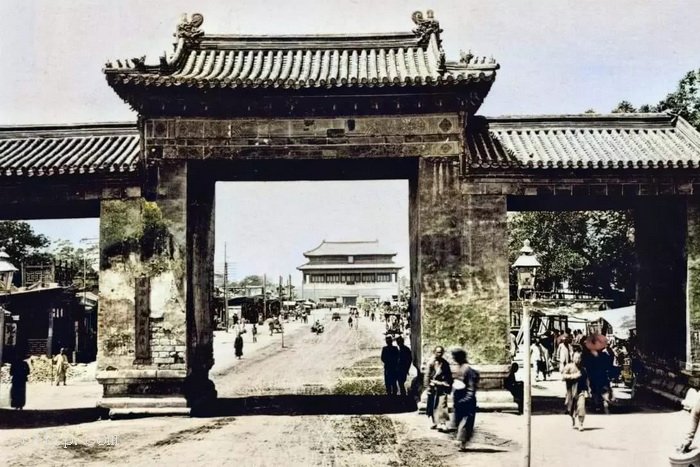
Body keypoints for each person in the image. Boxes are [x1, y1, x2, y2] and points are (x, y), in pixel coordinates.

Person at [451, 347, 479, 452]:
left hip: (466, 399)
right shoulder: (460, 367)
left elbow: (471, 387)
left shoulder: (467, 369)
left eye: (455, 357)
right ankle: (461, 440)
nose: (454, 359)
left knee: (466, 421)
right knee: (459, 420)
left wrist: (467, 398)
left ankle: (461, 441)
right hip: (459, 398)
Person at [425, 346, 453, 430]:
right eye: (437, 352)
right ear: (434, 352)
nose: (439, 354)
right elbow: (426, 376)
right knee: (432, 405)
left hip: (442, 386)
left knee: (442, 404)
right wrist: (427, 387)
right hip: (433, 387)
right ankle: (434, 422)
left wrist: (448, 385)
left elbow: (449, 375)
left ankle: (443, 423)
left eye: (441, 352)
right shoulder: (431, 363)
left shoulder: (445, 363)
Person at [562, 351, 589, 431]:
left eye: (579, 358)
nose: (578, 359)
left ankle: (581, 424)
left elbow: (586, 380)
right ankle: (573, 419)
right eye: (576, 357)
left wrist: (588, 390)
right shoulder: (568, 367)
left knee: (581, 407)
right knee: (571, 408)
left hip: (580, 391)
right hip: (571, 391)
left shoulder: (583, 369)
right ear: (573, 358)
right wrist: (574, 376)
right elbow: (563, 376)